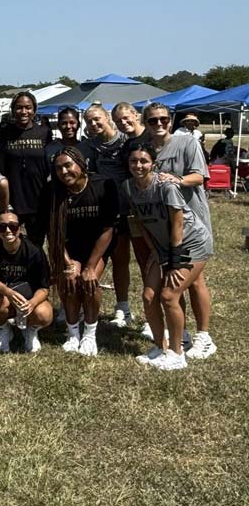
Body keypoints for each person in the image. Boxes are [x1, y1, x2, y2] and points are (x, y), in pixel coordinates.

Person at [123, 143, 213, 370]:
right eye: (134, 161)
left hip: (191, 243)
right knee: (148, 296)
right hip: (162, 248)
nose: (138, 165)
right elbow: (140, 222)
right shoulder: (128, 187)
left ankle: (176, 354)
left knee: (169, 295)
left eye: (144, 161)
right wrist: (154, 251)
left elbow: (178, 224)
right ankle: (159, 347)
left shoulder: (166, 186)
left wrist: (173, 262)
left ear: (153, 163)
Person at [141, 102, 216, 359]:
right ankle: (181, 333)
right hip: (166, 228)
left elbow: (200, 176)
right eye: (153, 120)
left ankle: (204, 336)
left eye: (163, 119)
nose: (159, 123)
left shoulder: (186, 143)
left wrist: (178, 180)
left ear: (170, 121)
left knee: (195, 281)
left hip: (193, 222)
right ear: (146, 123)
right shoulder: (147, 149)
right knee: (175, 281)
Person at [46, 146, 118, 356]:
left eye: (68, 165)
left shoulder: (103, 185)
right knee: (70, 282)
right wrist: (69, 264)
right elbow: (53, 235)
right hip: (69, 247)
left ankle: (89, 334)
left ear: (81, 164)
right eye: (58, 168)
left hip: (96, 247)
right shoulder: (52, 191)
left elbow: (107, 230)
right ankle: (72, 334)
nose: (64, 172)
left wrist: (90, 266)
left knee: (89, 282)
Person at [83, 104, 134, 328]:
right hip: (103, 210)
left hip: (128, 208)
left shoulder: (125, 142)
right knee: (99, 258)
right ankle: (87, 306)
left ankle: (123, 307)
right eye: (89, 121)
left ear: (107, 118)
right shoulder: (90, 145)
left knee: (122, 259)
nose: (94, 124)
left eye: (97, 119)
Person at [0, 210, 53, 353]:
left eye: (13, 226)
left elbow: (44, 288)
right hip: (5, 295)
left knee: (44, 314)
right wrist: (9, 293)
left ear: (20, 229)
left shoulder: (34, 251)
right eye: (2, 227)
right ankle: (3, 328)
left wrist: (32, 303)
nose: (8, 231)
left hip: (29, 296)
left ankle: (31, 329)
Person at [0, 91, 52, 246]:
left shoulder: (44, 132)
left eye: (28, 107)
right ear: (12, 110)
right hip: (11, 199)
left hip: (38, 199)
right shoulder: (2, 132)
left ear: (34, 110)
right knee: (9, 244)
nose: (24, 111)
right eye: (19, 107)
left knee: (36, 245)